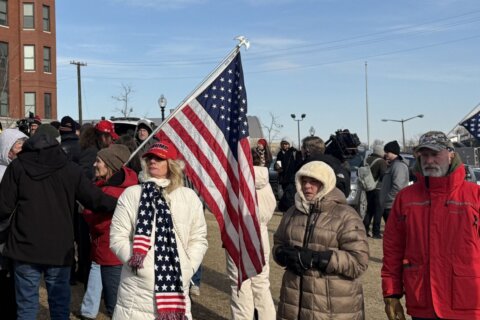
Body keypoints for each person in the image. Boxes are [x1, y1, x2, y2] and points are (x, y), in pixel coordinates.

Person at [0, 124, 118, 319]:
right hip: (57, 248)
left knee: (27, 308)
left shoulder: (19, 167)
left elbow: (3, 207)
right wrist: (122, 203)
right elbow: (95, 199)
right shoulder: (68, 169)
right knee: (58, 306)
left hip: (26, 247)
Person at [382, 131, 480, 320]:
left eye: (435, 154)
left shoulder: (475, 196)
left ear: (450, 153)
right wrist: (391, 292)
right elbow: (394, 247)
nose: (429, 160)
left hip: (468, 300)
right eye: (424, 155)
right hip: (423, 300)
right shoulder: (406, 198)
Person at [110, 140, 208, 320]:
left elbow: (198, 238)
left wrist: (188, 266)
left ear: (171, 164)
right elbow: (117, 237)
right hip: (136, 292)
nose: (152, 162)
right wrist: (138, 264)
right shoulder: (132, 194)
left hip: (177, 284)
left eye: (159, 158)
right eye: (149, 158)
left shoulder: (189, 197)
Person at [273, 161, 369, 319]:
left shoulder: (346, 216)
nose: (307, 186)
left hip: (332, 308)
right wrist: (283, 254)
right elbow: (278, 243)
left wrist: (319, 258)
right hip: (293, 303)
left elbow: (358, 262)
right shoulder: (292, 212)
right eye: (304, 181)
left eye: (314, 181)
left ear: (326, 184)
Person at [80, 144, 138, 318]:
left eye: (98, 161)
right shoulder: (119, 185)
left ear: (111, 165)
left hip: (109, 250)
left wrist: (88, 210)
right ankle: (88, 310)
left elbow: (101, 224)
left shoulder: (111, 192)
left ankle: (89, 310)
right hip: (105, 249)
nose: (94, 164)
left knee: (114, 301)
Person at [226, 150, 276, 320]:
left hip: (240, 234)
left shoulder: (236, 181)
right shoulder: (266, 184)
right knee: (261, 284)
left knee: (241, 285)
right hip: (260, 235)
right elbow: (270, 208)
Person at [0, 128, 28, 320]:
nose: (22, 149)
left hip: (19, 233)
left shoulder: (24, 170)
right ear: (7, 148)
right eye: (18, 145)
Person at [379, 140, 409, 223]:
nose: (385, 154)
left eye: (387, 152)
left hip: (392, 206)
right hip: (389, 205)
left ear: (393, 152)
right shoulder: (392, 165)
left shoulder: (398, 166)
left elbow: (398, 186)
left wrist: (387, 198)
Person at [363, 145, 388, 239]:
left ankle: (365, 229)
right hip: (378, 188)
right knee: (378, 211)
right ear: (381, 152)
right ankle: (376, 232)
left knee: (369, 209)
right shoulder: (381, 162)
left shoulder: (366, 160)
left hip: (368, 187)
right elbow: (383, 176)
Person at [276, 137, 300, 212]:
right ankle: (287, 211)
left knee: (289, 196)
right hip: (283, 179)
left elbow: (298, 164)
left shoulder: (294, 152)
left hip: (291, 179)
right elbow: (277, 163)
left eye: (286, 144)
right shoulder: (280, 153)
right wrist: (277, 167)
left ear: (289, 144)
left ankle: (290, 210)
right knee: (284, 196)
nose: (284, 146)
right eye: (283, 144)